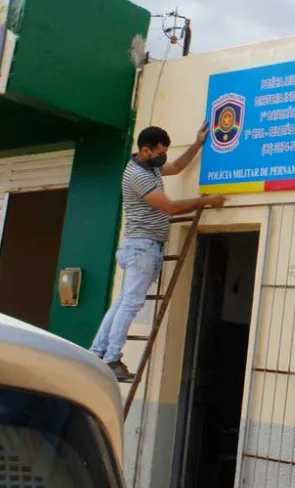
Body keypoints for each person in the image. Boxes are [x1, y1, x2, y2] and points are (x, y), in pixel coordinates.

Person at [90, 124, 228, 381]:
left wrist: (198, 143)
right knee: (130, 303)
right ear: (145, 150)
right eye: (160, 151)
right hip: (142, 247)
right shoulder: (137, 176)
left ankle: (98, 352)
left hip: (140, 246)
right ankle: (111, 359)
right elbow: (171, 208)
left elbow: (175, 168)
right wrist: (206, 201)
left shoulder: (149, 166)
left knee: (122, 302)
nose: (163, 156)